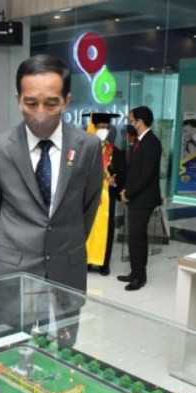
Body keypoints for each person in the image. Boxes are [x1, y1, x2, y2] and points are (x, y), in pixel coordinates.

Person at [0, 54, 103, 347]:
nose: (40, 113)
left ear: (66, 101)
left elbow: (88, 206)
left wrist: (63, 242)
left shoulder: (88, 147)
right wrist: (15, 249)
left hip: (66, 268)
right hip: (13, 270)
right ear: (18, 99)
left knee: (64, 349)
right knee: (10, 350)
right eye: (31, 103)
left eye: (51, 103)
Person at [117, 106, 162, 291]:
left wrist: (128, 194)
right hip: (137, 197)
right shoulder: (141, 141)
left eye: (131, 121)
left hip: (144, 200)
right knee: (137, 237)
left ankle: (139, 278)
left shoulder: (152, 143)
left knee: (136, 238)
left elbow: (145, 176)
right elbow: (134, 172)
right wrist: (125, 189)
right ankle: (135, 272)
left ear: (140, 122)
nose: (130, 124)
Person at [84, 113, 126, 276]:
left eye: (106, 127)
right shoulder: (86, 151)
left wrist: (115, 181)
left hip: (108, 196)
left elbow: (122, 174)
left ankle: (103, 263)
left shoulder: (116, 152)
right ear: (93, 128)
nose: (103, 130)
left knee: (106, 229)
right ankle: (87, 260)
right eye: (100, 127)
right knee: (88, 227)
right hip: (89, 196)